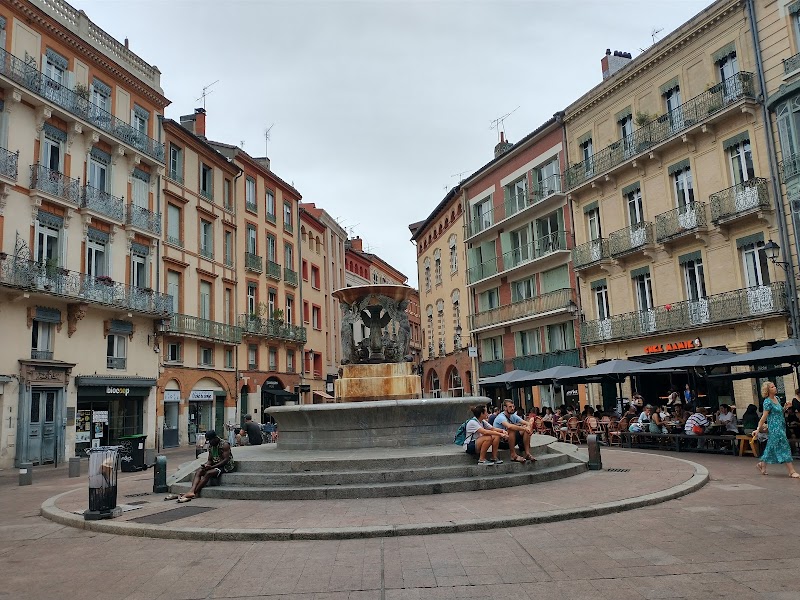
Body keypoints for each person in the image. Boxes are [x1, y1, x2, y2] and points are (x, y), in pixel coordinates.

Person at [754, 381, 800, 478]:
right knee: (785, 446)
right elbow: (764, 417)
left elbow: (778, 413)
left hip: (781, 426)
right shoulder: (767, 402)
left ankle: (762, 464)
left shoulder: (777, 398)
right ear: (768, 390)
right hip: (775, 429)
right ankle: (791, 471)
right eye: (772, 387)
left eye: (774, 386)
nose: (775, 388)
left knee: (770, 446)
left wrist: (785, 408)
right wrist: (758, 429)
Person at [177, 430, 235, 502]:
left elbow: (225, 460)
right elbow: (210, 459)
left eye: (210, 440)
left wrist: (212, 467)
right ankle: (191, 491)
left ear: (215, 438)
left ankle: (194, 492)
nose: (209, 442)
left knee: (208, 473)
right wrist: (207, 465)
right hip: (214, 465)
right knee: (199, 471)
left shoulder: (225, 444)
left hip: (225, 466)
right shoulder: (211, 445)